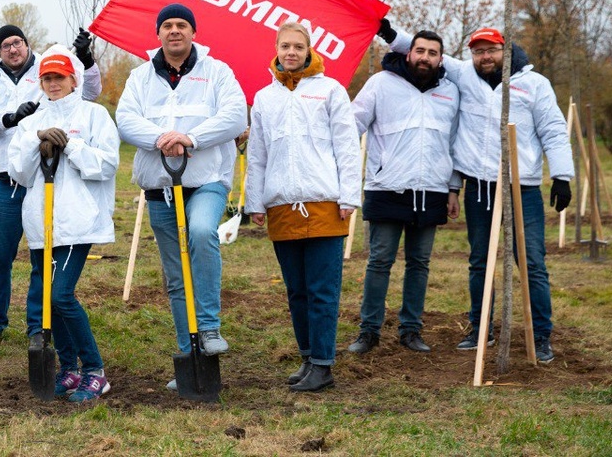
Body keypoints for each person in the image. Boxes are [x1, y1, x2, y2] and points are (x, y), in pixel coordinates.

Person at [380, 20, 573, 363]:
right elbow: (425, 50)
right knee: (480, 262)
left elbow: (555, 130)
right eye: (478, 51)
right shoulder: (464, 75)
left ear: (506, 50)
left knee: (531, 263)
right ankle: (480, 327)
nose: (485, 56)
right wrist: (390, 34)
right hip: (480, 187)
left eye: (491, 50)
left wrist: (561, 175)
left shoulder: (533, 84)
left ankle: (540, 335)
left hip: (521, 187)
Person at [115, 3, 246, 386]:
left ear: (193, 32)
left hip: (206, 179)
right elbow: (125, 120)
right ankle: (189, 356)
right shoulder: (140, 76)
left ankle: (208, 328)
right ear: (158, 34)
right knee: (176, 276)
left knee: (203, 232)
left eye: (182, 25)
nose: (175, 31)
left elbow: (236, 116)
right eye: (168, 25)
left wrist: (190, 138)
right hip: (160, 185)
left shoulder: (217, 72)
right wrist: (160, 138)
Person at [245, 22, 362, 392]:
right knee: (296, 289)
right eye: (285, 46)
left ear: (310, 50)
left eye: (298, 46)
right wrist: (254, 201)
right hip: (282, 205)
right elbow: (258, 154)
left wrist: (349, 196)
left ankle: (324, 364)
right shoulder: (265, 98)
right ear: (276, 49)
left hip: (325, 203)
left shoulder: (330, 90)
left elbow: (346, 145)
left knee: (322, 289)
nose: (291, 52)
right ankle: (308, 357)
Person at [0, 25, 102, 346]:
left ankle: (37, 325)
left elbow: (87, 91)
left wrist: (86, 59)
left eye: (17, 42)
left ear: (27, 43)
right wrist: (12, 117)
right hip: (6, 179)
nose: (13, 49)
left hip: (43, 179)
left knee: (41, 255)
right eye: (5, 45)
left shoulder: (48, 67)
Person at [8, 45, 118, 402]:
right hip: (42, 221)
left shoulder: (94, 115)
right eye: (47, 78)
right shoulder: (30, 120)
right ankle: (69, 369)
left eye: (60, 77)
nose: (53, 83)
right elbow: (19, 174)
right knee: (49, 300)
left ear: (74, 79)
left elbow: (106, 165)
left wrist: (69, 145)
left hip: (77, 220)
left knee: (61, 295)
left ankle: (95, 371)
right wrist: (34, 144)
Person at [346, 30, 460, 356]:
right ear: (408, 53)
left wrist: (453, 187)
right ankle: (369, 332)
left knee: (419, 264)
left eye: (432, 53)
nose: (425, 57)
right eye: (420, 50)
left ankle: (411, 330)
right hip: (387, 187)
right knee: (379, 261)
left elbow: (452, 143)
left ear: (441, 59)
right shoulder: (382, 83)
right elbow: (351, 125)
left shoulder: (450, 92)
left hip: (432, 190)